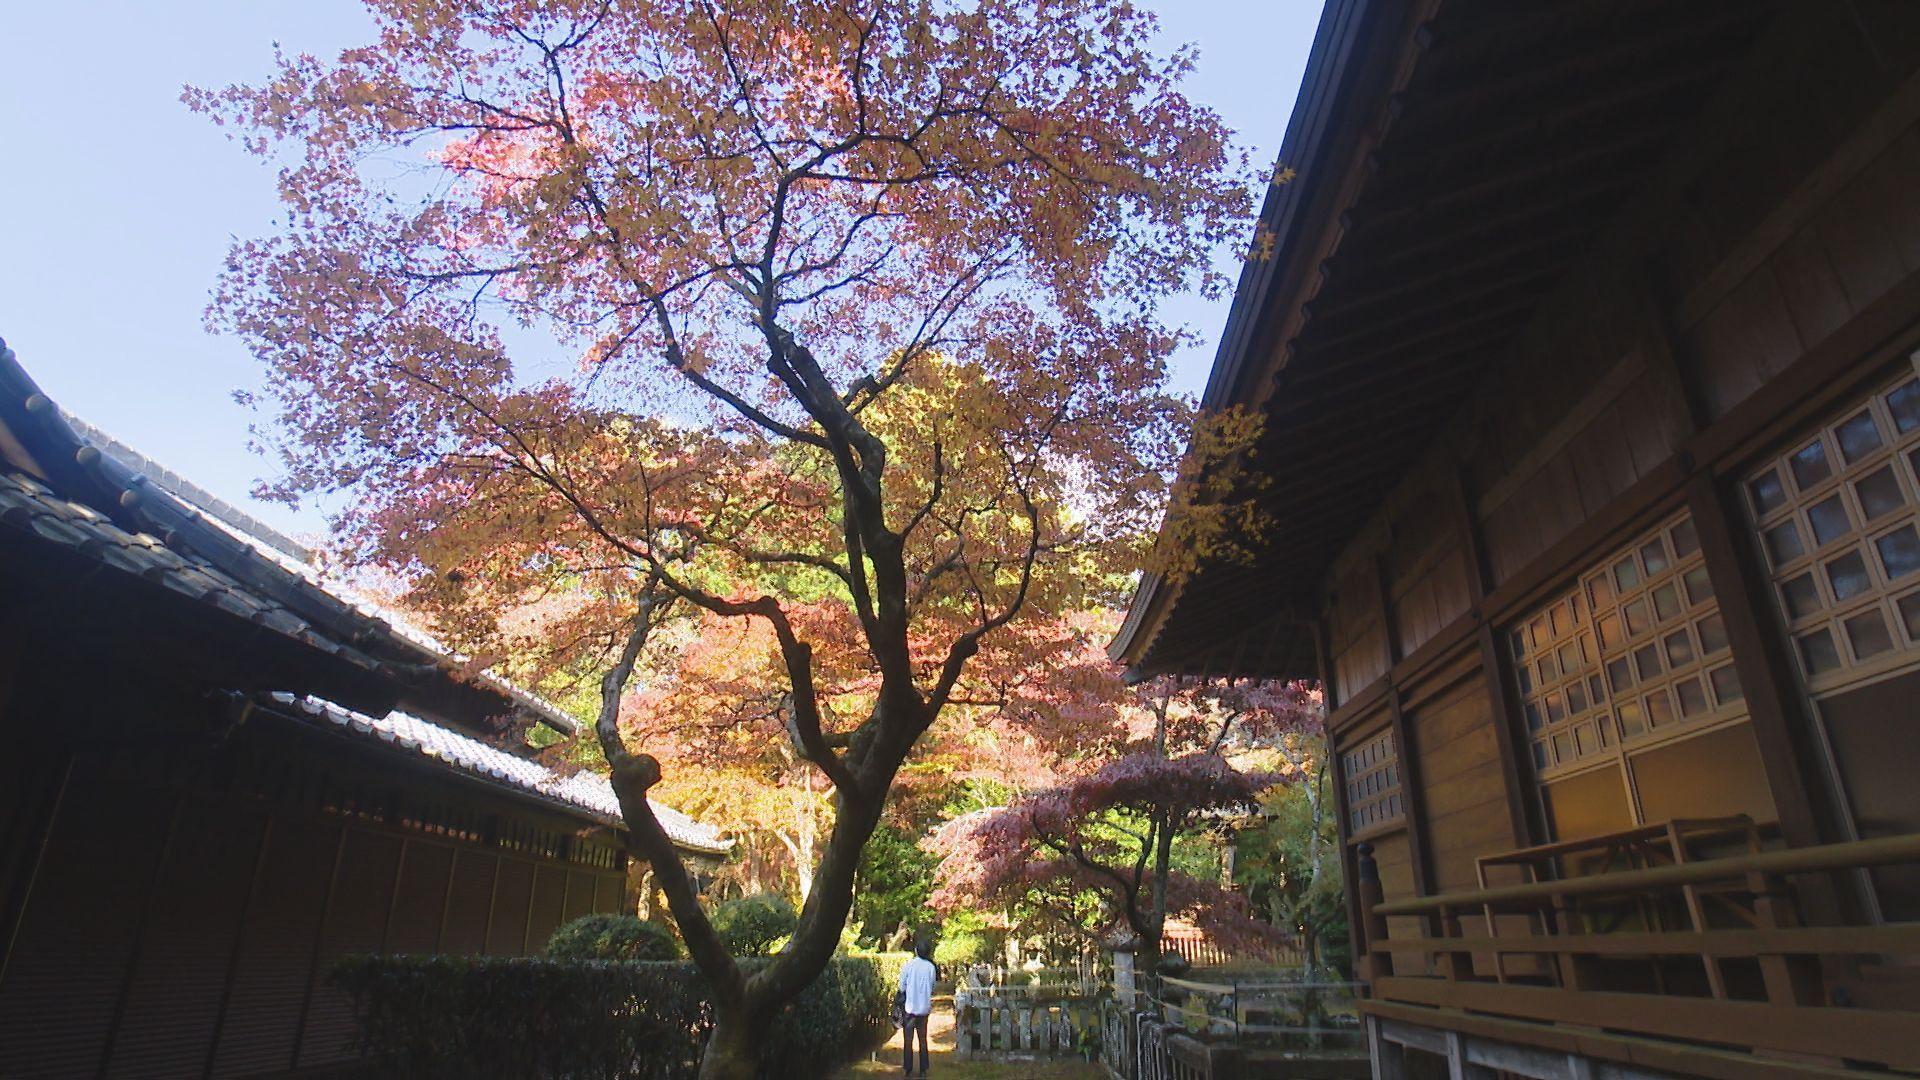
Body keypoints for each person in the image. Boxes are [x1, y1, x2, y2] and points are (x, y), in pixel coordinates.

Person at [897, 938, 937, 1077]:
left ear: (916, 951)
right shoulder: (931, 967)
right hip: (924, 1008)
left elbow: (901, 986)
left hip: (909, 1008)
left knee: (908, 1040)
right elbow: (932, 987)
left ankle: (908, 1069)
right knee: (923, 1038)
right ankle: (923, 1070)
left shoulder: (909, 965)